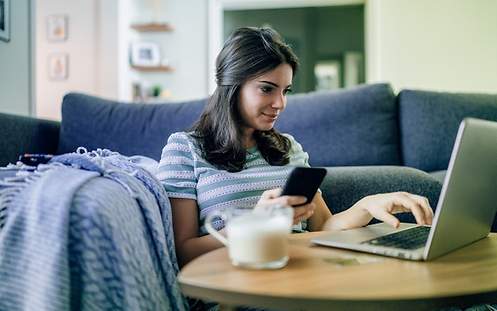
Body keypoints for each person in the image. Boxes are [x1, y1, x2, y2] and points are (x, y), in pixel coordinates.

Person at [157, 26, 433, 268]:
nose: (280, 103)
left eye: (285, 90)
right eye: (267, 89)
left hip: (308, 273)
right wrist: (256, 224)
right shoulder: (184, 150)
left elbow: (323, 226)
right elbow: (183, 254)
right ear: (232, 86)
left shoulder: (287, 147)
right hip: (240, 283)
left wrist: (367, 206)